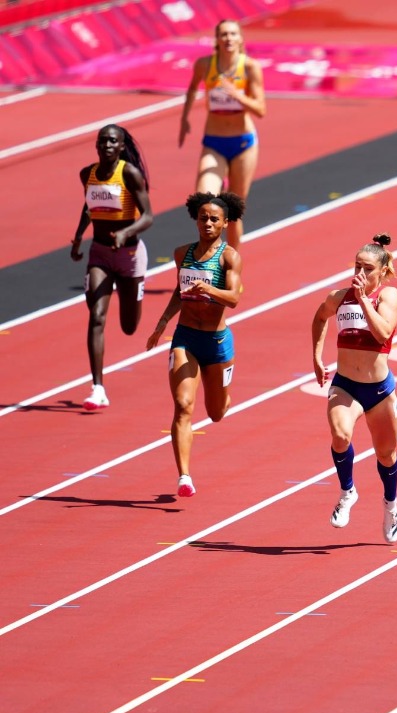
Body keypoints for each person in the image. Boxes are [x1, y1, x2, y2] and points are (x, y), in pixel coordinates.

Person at [145, 192, 245, 498]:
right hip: (185, 337)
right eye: (203, 218)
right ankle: (184, 476)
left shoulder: (229, 257)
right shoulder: (182, 254)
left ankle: (225, 395)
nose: (208, 223)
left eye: (215, 219)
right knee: (183, 406)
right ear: (196, 220)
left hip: (216, 342)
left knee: (216, 413)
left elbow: (235, 298)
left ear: (226, 223)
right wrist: (161, 324)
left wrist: (209, 289)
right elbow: (179, 291)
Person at [311, 234, 397, 544]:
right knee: (340, 435)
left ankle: (391, 506)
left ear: (381, 272)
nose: (360, 274)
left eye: (367, 269)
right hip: (346, 386)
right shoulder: (338, 297)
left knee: (386, 455)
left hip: (378, 390)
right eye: (357, 267)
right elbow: (320, 316)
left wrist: (364, 299)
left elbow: (383, 334)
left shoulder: (387, 298)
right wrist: (316, 355)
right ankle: (347, 491)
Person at [71, 124, 154, 410]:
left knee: (129, 326)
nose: (107, 145)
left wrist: (124, 233)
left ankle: (134, 293)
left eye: (113, 141)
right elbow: (88, 205)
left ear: (121, 146)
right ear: (97, 145)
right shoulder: (88, 174)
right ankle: (98, 388)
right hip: (100, 254)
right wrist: (79, 236)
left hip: (129, 255)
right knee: (97, 315)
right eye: (103, 140)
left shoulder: (129, 174)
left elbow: (148, 217)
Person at [178, 18, 265, 250]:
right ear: (216, 39)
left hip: (243, 144)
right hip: (214, 142)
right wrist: (184, 119)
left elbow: (260, 109)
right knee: (205, 202)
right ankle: (209, 259)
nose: (228, 38)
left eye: (233, 34)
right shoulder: (205, 65)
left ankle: (232, 266)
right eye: (223, 34)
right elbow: (192, 87)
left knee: (233, 213)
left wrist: (237, 95)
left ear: (240, 39)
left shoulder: (249, 67)